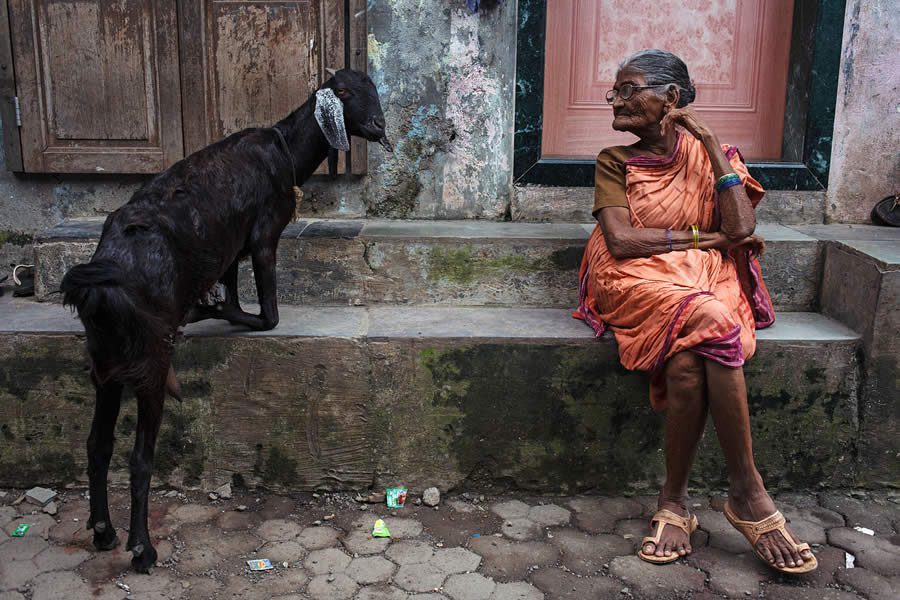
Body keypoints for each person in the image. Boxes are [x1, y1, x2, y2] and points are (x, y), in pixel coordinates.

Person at [574, 49, 817, 574]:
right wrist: (702, 238)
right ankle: (748, 491)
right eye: (614, 90)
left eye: (628, 88)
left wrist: (708, 144)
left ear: (672, 99)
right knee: (711, 318)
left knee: (690, 359)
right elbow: (620, 240)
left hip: (703, 274)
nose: (615, 99)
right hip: (633, 274)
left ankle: (674, 501)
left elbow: (742, 229)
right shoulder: (614, 160)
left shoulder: (716, 153)